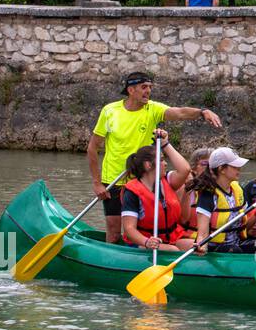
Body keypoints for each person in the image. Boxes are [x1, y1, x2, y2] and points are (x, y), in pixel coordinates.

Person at [87, 72, 223, 246]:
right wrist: (97, 182)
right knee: (114, 233)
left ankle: (150, 250)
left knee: (148, 227)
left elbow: (179, 113)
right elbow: (92, 148)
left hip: (144, 180)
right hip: (114, 179)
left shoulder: (153, 109)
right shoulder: (110, 111)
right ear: (130, 90)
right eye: (144, 87)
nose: (148, 91)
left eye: (150, 87)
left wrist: (202, 112)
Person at [119, 130, 195, 252]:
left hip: (170, 238)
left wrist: (165, 144)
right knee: (172, 250)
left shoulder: (168, 181)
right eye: (161, 160)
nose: (165, 163)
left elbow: (185, 169)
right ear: (148, 165)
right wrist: (147, 242)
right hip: (143, 242)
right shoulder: (132, 192)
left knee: (196, 245)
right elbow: (129, 230)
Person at [191, 146, 256, 254]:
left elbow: (244, 228)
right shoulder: (208, 195)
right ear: (221, 169)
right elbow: (202, 234)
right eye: (234, 166)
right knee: (234, 250)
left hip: (237, 244)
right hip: (215, 249)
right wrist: (201, 246)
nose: (239, 169)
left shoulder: (238, 190)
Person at [178, 146, 212, 243]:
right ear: (194, 168)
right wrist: (187, 190)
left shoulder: (221, 188)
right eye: (205, 164)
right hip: (189, 239)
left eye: (212, 164)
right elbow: (183, 219)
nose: (209, 168)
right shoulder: (185, 188)